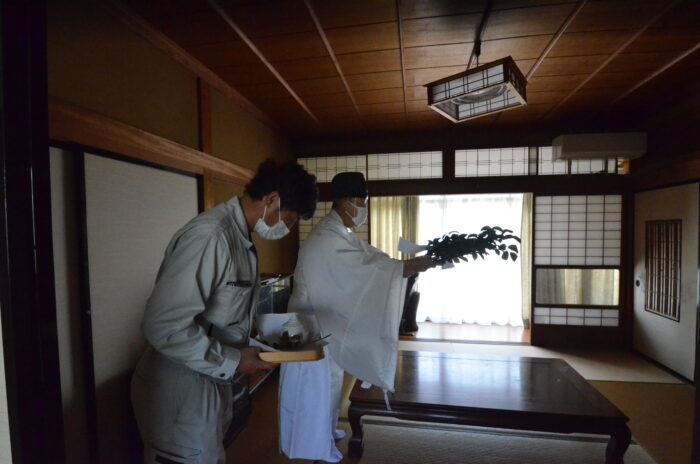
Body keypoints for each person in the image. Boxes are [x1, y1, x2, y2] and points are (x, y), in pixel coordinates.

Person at [131, 159, 318, 464]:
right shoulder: (211, 236)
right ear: (271, 200)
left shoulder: (239, 237)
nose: (289, 227)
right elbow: (163, 325)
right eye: (291, 218)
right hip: (181, 387)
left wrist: (265, 336)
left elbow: (225, 313)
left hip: (209, 378)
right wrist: (233, 360)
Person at [279, 172, 435, 462]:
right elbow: (363, 271)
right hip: (311, 325)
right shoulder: (327, 237)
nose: (363, 209)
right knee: (314, 389)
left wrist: (405, 266)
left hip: (323, 322)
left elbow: (370, 259)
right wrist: (408, 267)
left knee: (328, 384)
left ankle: (325, 433)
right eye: (361, 202)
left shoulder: (339, 232)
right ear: (347, 202)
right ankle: (316, 447)